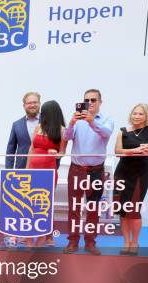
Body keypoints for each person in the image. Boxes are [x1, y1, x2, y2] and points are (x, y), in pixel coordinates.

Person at [63, 89, 114, 255]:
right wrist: (71, 123)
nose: (90, 102)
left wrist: (92, 121)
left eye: (93, 100)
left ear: (100, 102)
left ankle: (90, 242)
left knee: (93, 207)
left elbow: (105, 133)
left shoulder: (107, 120)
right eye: (87, 100)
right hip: (77, 169)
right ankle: (73, 241)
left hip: (96, 170)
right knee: (74, 207)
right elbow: (66, 137)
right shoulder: (77, 121)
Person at [114, 104, 148, 255]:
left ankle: (135, 242)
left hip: (140, 174)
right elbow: (117, 151)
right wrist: (134, 151)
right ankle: (126, 242)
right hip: (122, 172)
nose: (137, 116)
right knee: (122, 210)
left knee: (134, 210)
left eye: (140, 114)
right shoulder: (122, 132)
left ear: (146, 116)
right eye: (134, 113)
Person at [26, 100, 66, 247]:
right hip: (33, 170)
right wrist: (27, 169)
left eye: (45, 112)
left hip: (48, 171)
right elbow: (31, 149)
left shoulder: (61, 130)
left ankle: (44, 236)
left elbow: (62, 153)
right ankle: (29, 235)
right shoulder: (39, 127)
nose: (42, 114)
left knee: (44, 204)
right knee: (29, 202)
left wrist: (56, 153)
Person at [6, 92, 41, 169]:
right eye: (29, 103)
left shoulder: (47, 122)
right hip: (22, 169)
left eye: (35, 102)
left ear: (39, 103)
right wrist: (8, 170)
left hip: (43, 168)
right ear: (24, 106)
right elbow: (10, 150)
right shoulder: (16, 125)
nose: (32, 105)